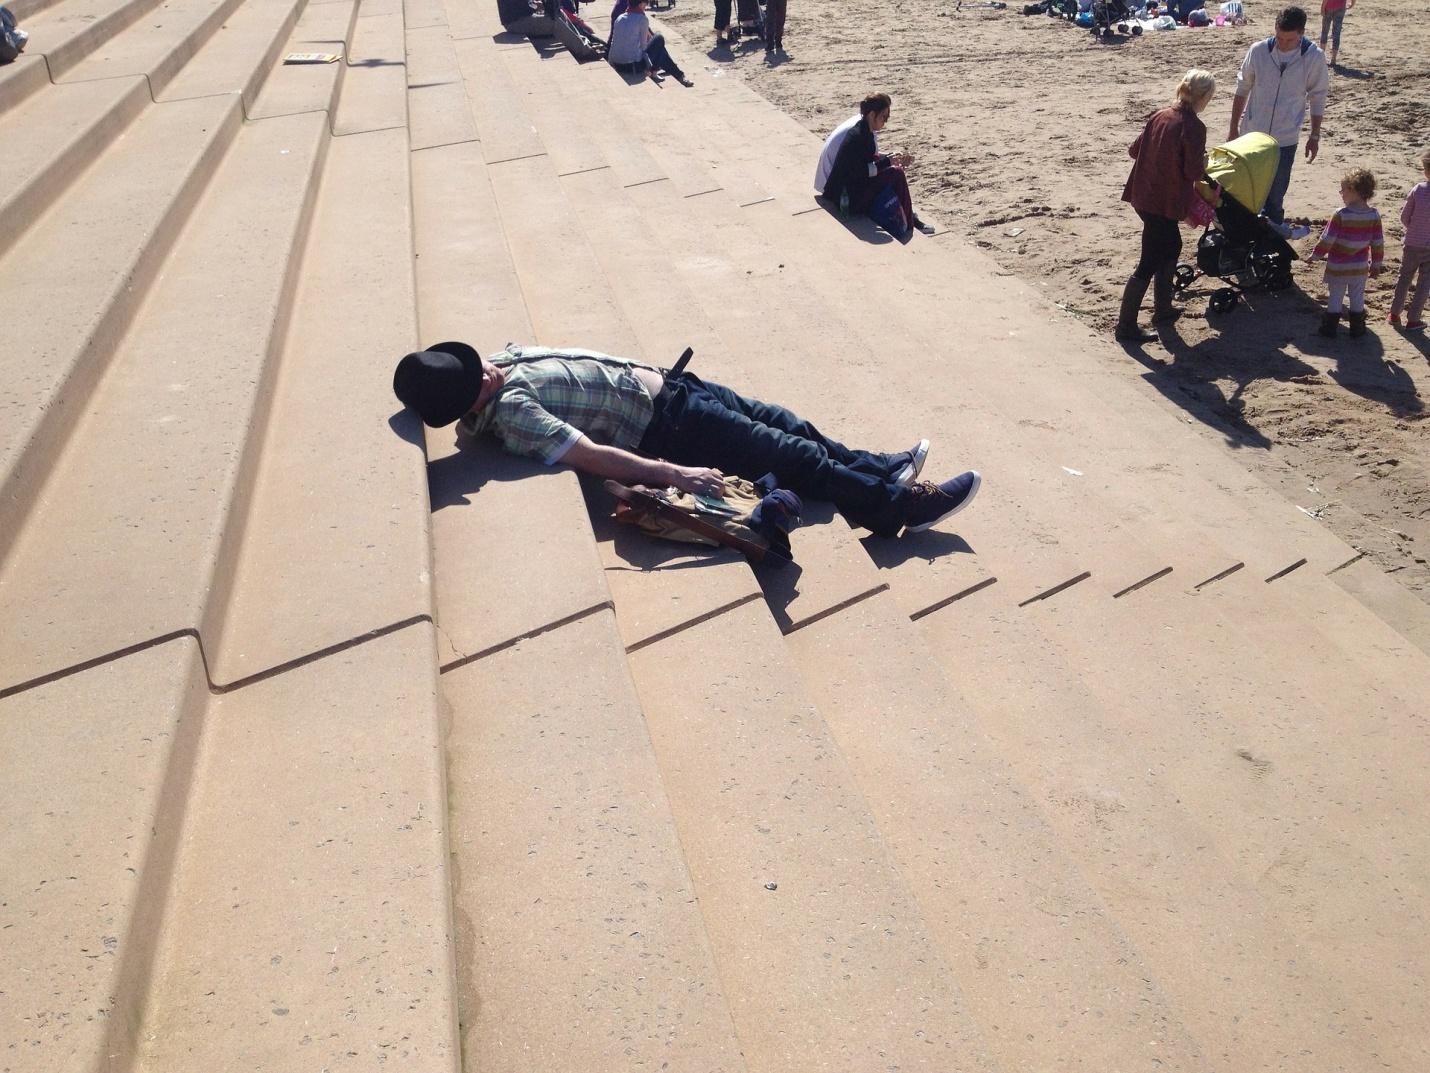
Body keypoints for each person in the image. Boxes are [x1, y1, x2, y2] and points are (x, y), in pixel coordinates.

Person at [392, 343, 981, 538]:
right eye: (476, 379)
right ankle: (897, 508)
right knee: (788, 453)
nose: (487, 370)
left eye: (477, 364)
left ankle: (879, 465)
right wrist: (674, 473)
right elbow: (591, 456)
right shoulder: (511, 418)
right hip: (667, 428)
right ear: (466, 402)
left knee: (787, 422)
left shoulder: (500, 364)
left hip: (672, 385)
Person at [1115, 69, 1215, 344]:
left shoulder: (1161, 115)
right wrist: (1204, 164)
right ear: (1204, 97)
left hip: (1143, 195)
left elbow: (1134, 151)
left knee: (1171, 246)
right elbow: (1194, 171)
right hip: (1164, 202)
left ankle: (1163, 309)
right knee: (1149, 260)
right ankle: (1126, 326)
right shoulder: (1193, 126)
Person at [1227, 5, 1329, 228]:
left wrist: (1314, 135)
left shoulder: (1313, 57)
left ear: (1301, 33)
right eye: (1279, 37)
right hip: (1251, 137)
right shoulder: (1258, 51)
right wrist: (1233, 127)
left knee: (1275, 197)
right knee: (1244, 194)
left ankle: (1269, 244)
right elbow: (1242, 88)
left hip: (1285, 141)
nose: (1282, 44)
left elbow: (1318, 97)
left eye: (1289, 40)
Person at [818, 93, 935, 240]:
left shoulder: (862, 130)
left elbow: (868, 162)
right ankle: (911, 222)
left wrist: (889, 158)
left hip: (843, 193)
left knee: (892, 173)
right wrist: (887, 163)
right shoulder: (859, 136)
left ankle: (908, 216)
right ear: (872, 114)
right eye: (883, 117)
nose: (885, 122)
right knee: (896, 174)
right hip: (845, 201)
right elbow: (861, 172)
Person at [1309, 167, 1384, 338]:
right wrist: (1376, 264)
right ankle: (1357, 329)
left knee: (1335, 296)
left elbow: (1328, 239)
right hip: (1359, 267)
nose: (1341, 193)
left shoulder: (1341, 214)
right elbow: (1378, 243)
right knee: (1357, 297)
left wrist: (1316, 255)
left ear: (1353, 189)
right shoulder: (1374, 215)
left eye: (1342, 190)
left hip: (1338, 267)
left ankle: (1329, 328)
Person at [1388, 148, 1430, 332]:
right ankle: (1413, 319)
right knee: (1424, 284)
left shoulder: (1418, 190)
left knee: (1404, 278)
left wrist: (1413, 229)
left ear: (1425, 171)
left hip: (1412, 243)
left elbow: (1404, 217)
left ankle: (1394, 314)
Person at [608, 0, 692, 84]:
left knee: (658, 47)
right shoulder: (642, 19)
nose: (646, 5)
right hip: (633, 67)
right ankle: (676, 75)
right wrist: (650, 67)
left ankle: (679, 75)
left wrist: (610, 62)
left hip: (618, 65)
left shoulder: (620, 18)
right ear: (640, 4)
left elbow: (613, 43)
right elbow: (644, 48)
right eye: (646, 3)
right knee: (659, 38)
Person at [1318, 0, 1353, 68]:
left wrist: (1322, 8)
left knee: (1325, 32)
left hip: (1328, 7)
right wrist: (1352, 4)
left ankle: (1321, 57)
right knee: (1336, 33)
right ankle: (1333, 59)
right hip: (1340, 7)